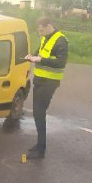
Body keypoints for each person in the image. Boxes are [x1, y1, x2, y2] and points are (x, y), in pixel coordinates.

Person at [25, 16, 68, 158]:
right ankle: (39, 145)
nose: (40, 33)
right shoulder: (45, 38)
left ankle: (41, 149)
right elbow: (39, 53)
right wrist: (31, 56)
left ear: (49, 26)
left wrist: (40, 59)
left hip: (50, 82)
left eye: (42, 30)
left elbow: (61, 62)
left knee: (39, 112)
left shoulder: (61, 40)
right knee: (37, 113)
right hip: (40, 80)